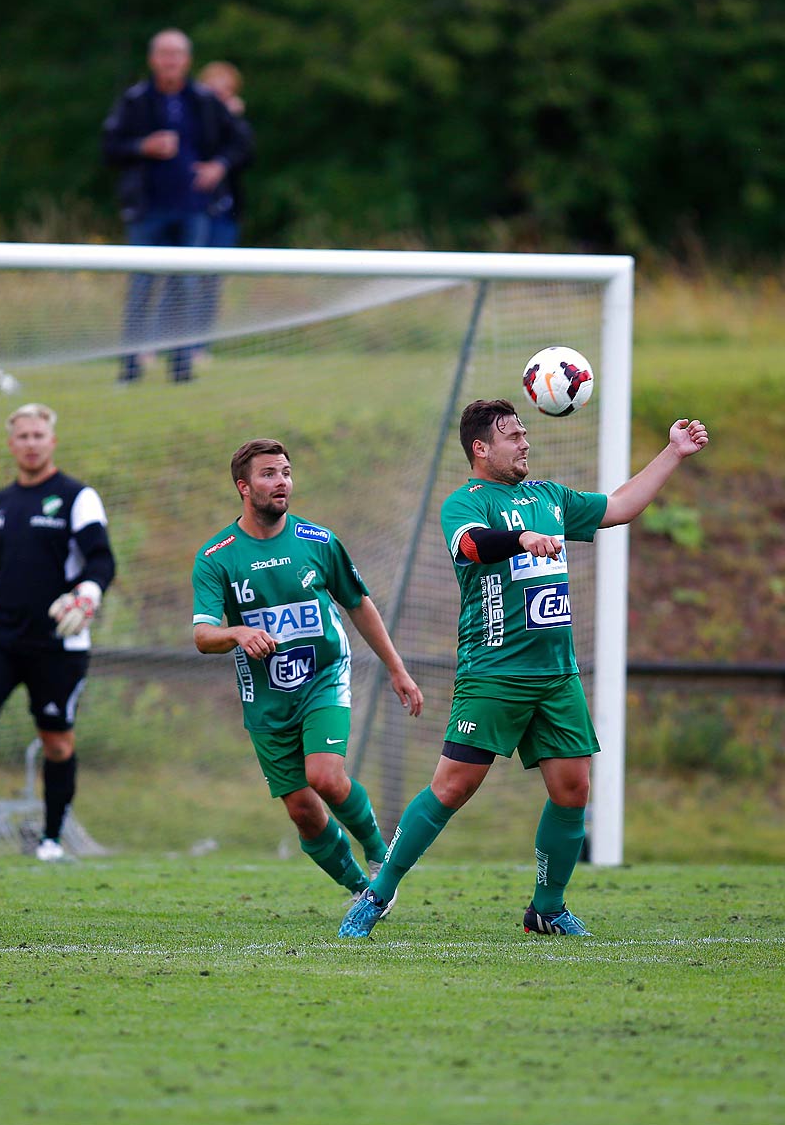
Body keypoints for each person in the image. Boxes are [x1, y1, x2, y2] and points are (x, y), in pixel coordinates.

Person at [340, 402, 710, 939]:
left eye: (525, 433)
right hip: (494, 670)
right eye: (512, 436)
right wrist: (520, 541)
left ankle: (547, 908)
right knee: (452, 787)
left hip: (556, 674)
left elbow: (621, 506)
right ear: (481, 450)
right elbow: (472, 544)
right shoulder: (464, 503)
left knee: (573, 789)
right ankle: (378, 894)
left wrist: (673, 453)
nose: (525, 443)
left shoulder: (550, 498)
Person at [193, 439, 422, 898]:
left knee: (325, 777)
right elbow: (202, 635)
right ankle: (362, 890)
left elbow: (358, 604)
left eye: (286, 472)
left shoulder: (317, 541)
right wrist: (237, 633)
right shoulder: (216, 556)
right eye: (268, 474)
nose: (282, 482)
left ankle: (381, 857)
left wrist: (396, 668)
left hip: (324, 675)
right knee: (303, 809)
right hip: (266, 699)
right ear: (243, 486)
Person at [0, 404, 116, 863]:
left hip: (58, 641)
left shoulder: (77, 497)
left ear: (52, 441)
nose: (31, 443)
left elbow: (101, 560)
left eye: (38, 435)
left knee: (56, 741)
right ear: (11, 444)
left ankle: (51, 839)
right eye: (23, 436)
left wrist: (86, 596)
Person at [101, 29, 250, 384]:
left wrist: (219, 166)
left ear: (187, 61)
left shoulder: (203, 100)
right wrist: (143, 147)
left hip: (194, 209)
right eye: (164, 54)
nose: (170, 61)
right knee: (141, 288)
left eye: (177, 54)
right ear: (153, 60)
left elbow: (241, 142)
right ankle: (131, 369)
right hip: (147, 209)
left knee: (187, 288)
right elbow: (110, 146)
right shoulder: (135, 100)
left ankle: (181, 368)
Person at [191, 61, 252, 356]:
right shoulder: (189, 115)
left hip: (223, 213)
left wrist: (233, 118)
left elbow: (245, 152)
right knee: (177, 280)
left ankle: (199, 347)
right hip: (190, 210)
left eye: (225, 90)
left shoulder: (235, 124)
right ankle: (154, 346)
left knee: (210, 283)